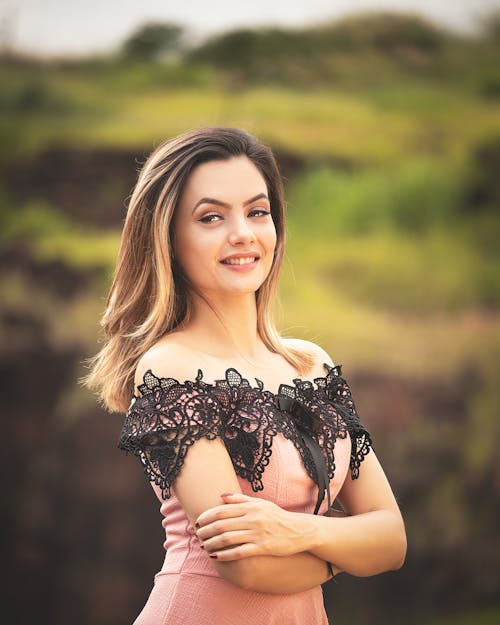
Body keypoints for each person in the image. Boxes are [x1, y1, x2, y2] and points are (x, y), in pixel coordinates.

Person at [84, 127, 406, 624]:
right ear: (168, 237)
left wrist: (297, 533)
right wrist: (350, 548)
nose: (243, 233)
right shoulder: (170, 368)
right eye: (211, 217)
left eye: (257, 212)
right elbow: (250, 566)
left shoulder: (311, 364)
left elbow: (392, 540)